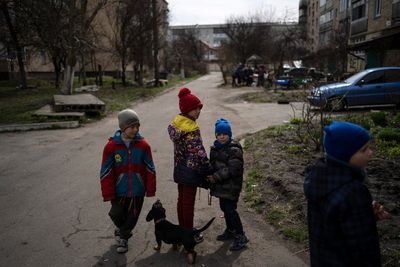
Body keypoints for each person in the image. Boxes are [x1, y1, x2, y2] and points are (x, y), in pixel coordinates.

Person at [304, 121, 390, 266]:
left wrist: (365, 212)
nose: (371, 152)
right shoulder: (354, 192)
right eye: (363, 150)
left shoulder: (317, 179)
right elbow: (364, 247)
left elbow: (333, 220)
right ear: (344, 155)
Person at [100, 109, 156, 253]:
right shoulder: (111, 147)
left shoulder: (143, 145)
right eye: (132, 126)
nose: (135, 129)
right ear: (123, 127)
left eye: (137, 126)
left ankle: (124, 238)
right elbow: (105, 171)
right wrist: (108, 192)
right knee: (116, 214)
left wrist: (150, 188)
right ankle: (122, 230)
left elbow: (150, 168)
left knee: (132, 217)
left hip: (137, 190)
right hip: (119, 190)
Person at [167, 87, 211, 243]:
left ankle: (182, 230)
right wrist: (207, 169)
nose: (198, 112)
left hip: (179, 169)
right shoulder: (191, 129)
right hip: (191, 171)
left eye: (199, 108)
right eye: (195, 109)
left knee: (182, 201)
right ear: (186, 110)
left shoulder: (178, 124)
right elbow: (198, 152)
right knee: (188, 204)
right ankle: (189, 233)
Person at [207, 118, 249, 251]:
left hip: (231, 186)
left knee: (230, 210)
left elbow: (233, 169)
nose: (221, 137)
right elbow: (213, 165)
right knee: (224, 208)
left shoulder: (234, 149)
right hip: (222, 187)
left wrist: (215, 177)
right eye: (219, 134)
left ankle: (241, 236)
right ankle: (231, 230)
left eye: (224, 134)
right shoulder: (215, 149)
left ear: (229, 134)